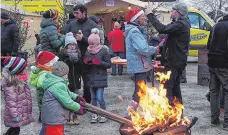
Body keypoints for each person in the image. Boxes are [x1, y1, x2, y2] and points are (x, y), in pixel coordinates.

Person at [146, 3, 191, 104]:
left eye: (173, 10)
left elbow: (162, 29)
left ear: (178, 12)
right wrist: (161, 49)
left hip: (174, 62)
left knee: (167, 89)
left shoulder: (181, 24)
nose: (171, 12)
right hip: (176, 61)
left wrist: (150, 15)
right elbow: (171, 41)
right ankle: (178, 115)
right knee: (175, 89)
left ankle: (170, 116)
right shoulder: (180, 23)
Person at [124, 8, 159, 118]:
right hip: (139, 66)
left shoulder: (135, 30)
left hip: (139, 65)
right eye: (142, 16)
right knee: (139, 92)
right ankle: (128, 115)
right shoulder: (134, 31)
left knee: (139, 91)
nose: (145, 18)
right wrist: (154, 49)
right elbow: (143, 49)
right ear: (136, 19)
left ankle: (130, 113)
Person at [39, 61, 85, 135]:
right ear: (62, 74)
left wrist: (76, 97)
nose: (67, 75)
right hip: (54, 118)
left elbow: (66, 93)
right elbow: (67, 102)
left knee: (46, 132)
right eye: (66, 73)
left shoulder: (54, 81)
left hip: (50, 116)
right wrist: (78, 107)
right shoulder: (58, 85)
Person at [67, 4, 97, 103]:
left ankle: (87, 102)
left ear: (84, 13)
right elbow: (66, 38)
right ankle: (72, 102)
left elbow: (97, 42)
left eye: (77, 13)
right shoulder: (72, 25)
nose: (75, 15)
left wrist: (83, 39)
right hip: (73, 57)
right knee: (73, 82)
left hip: (87, 57)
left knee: (87, 82)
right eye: (74, 13)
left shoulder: (92, 25)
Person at [83, 30, 111, 123]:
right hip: (91, 78)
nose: (90, 45)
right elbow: (85, 66)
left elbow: (108, 64)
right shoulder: (87, 51)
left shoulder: (103, 50)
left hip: (100, 78)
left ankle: (104, 113)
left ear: (97, 42)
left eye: (92, 43)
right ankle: (94, 114)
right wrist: (86, 62)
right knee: (93, 98)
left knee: (99, 97)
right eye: (89, 43)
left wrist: (99, 63)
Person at [1, 57, 34, 135]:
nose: (25, 70)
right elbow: (11, 103)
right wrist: (14, 116)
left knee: (14, 128)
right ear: (17, 71)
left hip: (19, 111)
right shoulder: (11, 85)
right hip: (15, 114)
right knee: (16, 129)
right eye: (23, 69)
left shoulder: (19, 81)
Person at [207, 13, 228, 130]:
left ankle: (214, 120)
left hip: (212, 62)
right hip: (224, 64)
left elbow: (208, 45)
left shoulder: (216, 25)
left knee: (214, 91)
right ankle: (227, 123)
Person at [59, 32, 82, 125]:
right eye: (70, 45)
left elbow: (81, 68)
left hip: (76, 79)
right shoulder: (63, 54)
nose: (72, 46)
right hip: (67, 80)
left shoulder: (78, 53)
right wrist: (68, 60)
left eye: (74, 45)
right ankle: (68, 116)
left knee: (75, 98)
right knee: (67, 99)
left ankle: (75, 115)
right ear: (66, 46)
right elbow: (60, 66)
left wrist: (78, 61)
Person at [29, 51, 59, 122]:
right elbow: (42, 84)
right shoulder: (45, 73)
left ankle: (42, 116)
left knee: (42, 104)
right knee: (44, 105)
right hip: (44, 93)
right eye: (53, 63)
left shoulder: (44, 70)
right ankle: (43, 117)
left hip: (43, 94)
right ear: (48, 64)